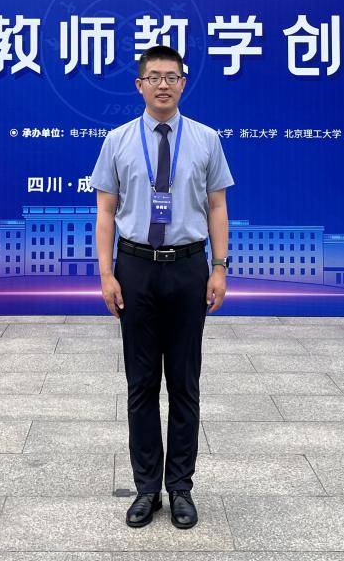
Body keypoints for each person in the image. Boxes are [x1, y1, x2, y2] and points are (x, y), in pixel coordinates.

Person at [90, 44, 233, 530]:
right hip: (136, 268)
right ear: (140, 85)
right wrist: (106, 274)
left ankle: (181, 488)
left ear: (183, 83)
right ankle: (147, 488)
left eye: (172, 77)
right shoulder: (117, 141)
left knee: (185, 384)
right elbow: (105, 211)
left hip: (189, 268)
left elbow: (217, 206)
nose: (163, 85)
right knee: (142, 384)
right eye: (154, 77)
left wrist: (219, 267)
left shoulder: (207, 139)